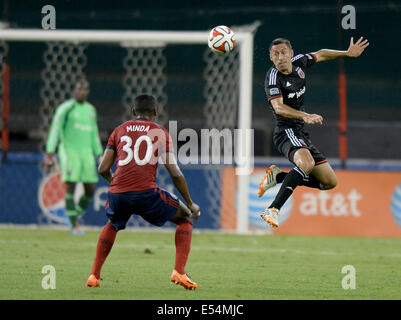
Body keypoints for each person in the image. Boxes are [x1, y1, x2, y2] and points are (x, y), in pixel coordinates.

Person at [85, 94, 201, 290]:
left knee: (113, 223)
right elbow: (175, 172)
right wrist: (190, 203)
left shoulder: (119, 130)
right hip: (145, 193)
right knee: (186, 217)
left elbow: (103, 168)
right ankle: (179, 272)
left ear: (133, 111)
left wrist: (118, 184)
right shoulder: (160, 132)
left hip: (118, 193)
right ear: (155, 112)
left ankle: (94, 276)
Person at [259, 37, 369, 228]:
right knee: (307, 163)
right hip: (286, 131)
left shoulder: (300, 63)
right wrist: (305, 115)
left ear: (291, 53)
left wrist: (347, 53)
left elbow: (320, 54)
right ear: (270, 58)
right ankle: (273, 208)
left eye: (283, 52)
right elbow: (278, 107)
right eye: (275, 54)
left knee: (329, 182)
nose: (280, 57)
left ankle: (278, 177)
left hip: (300, 132)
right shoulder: (273, 77)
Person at [44, 79, 103, 235]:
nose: (82, 92)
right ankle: (74, 225)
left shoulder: (91, 110)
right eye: (79, 89)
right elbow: (55, 129)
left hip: (87, 153)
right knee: (71, 185)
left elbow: (94, 134)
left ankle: (72, 214)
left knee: (90, 189)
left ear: (88, 91)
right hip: (70, 151)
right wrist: (50, 151)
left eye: (85, 89)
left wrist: (99, 153)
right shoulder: (66, 108)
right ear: (74, 90)